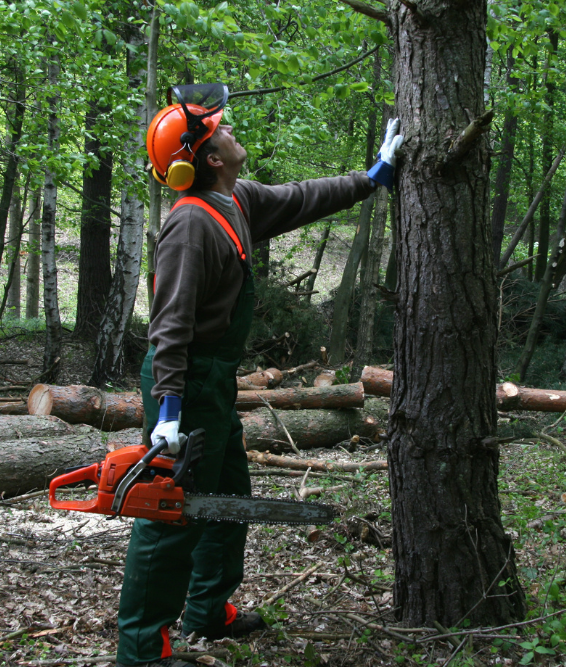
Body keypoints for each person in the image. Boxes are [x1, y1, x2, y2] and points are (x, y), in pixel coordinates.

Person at [116, 83, 402, 667]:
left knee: (228, 497)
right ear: (210, 157)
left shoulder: (236, 199)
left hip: (214, 380)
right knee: (172, 513)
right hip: (185, 378)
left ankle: (207, 610)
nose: (229, 128)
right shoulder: (189, 226)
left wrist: (371, 177)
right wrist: (168, 410)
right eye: (220, 127)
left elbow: (301, 197)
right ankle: (143, 648)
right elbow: (168, 326)